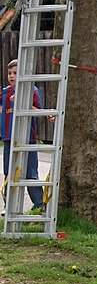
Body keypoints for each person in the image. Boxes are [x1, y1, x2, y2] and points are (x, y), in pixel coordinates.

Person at [1, 59, 44, 211]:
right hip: (8, 138)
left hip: (27, 138)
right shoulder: (5, 92)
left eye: (15, 73)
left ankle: (39, 205)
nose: (12, 76)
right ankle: (10, 206)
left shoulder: (32, 90)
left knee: (30, 172)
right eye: (10, 73)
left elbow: (38, 111)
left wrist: (21, 102)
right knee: (9, 172)